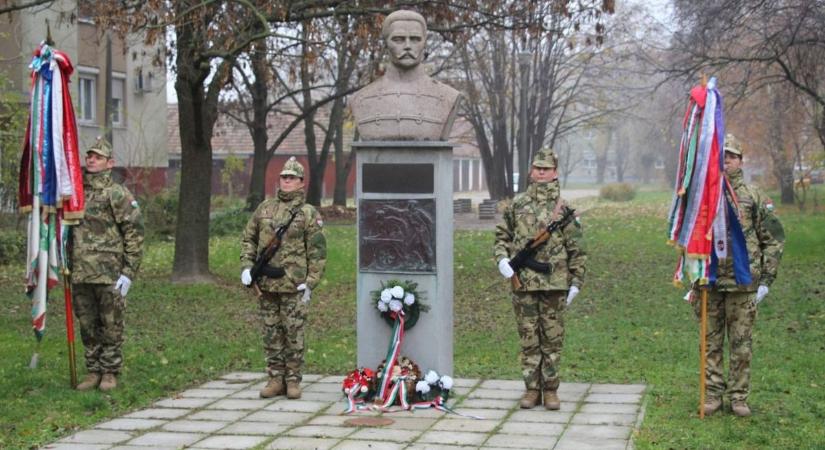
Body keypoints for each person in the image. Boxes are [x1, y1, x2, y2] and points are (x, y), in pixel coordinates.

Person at [690, 133, 784, 417]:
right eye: (722, 157)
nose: (726, 161)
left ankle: (739, 397)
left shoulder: (754, 197)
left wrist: (766, 279)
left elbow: (774, 239)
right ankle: (712, 395)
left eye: (731, 156)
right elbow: (693, 238)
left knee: (741, 345)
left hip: (744, 283)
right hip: (711, 282)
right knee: (710, 343)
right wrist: (693, 275)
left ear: (741, 160)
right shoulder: (705, 196)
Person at [493, 148, 586, 410]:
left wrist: (576, 282)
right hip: (523, 283)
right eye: (538, 168)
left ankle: (551, 389)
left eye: (546, 168)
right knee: (529, 339)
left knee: (552, 340)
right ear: (531, 171)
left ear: (555, 172)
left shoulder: (564, 210)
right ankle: (532, 389)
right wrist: (502, 260)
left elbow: (578, 249)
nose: (542, 172)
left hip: (555, 283)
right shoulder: (517, 204)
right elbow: (502, 236)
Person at [240, 157, 326, 399]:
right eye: (284, 177)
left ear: (301, 182)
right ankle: (275, 378)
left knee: (293, 332)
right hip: (266, 284)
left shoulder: (308, 213)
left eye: (292, 177)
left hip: (293, 284)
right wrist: (247, 267)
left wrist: (311, 282)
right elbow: (249, 239)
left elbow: (318, 252)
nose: (287, 181)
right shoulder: (264, 209)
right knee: (271, 332)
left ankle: (292, 380)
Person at [71, 137, 144, 391]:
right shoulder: (76, 191)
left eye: (98, 157)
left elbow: (134, 233)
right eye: (89, 156)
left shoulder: (117, 193)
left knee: (111, 323)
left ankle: (110, 371)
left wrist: (128, 272)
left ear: (109, 163)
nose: (91, 160)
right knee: (87, 323)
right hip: (80, 271)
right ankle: (93, 370)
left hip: (109, 272)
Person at [350, 9, 461, 141]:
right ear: (386, 44)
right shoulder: (361, 99)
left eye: (415, 39)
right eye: (398, 39)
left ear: (424, 42)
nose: (407, 46)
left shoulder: (448, 97)